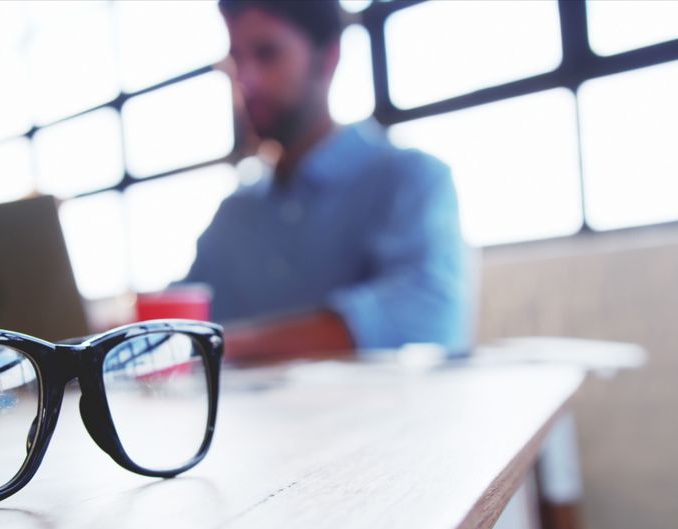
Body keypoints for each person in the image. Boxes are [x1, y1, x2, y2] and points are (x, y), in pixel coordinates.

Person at [182, 0, 471, 361]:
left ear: (329, 56)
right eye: (236, 60)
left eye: (267, 53)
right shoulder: (233, 215)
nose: (246, 80)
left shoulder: (410, 179)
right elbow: (172, 323)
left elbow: (426, 320)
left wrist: (220, 346)